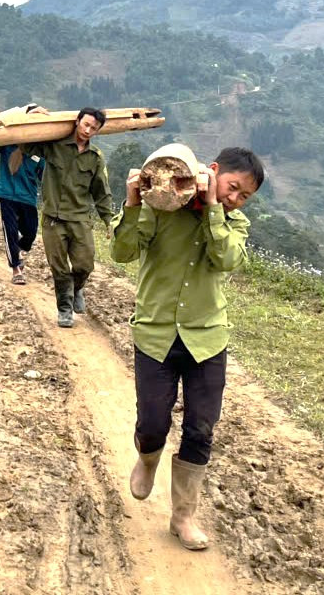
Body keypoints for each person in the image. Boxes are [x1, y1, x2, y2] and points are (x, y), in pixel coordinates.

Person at [110, 146, 264, 552]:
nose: (235, 198)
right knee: (153, 424)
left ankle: (183, 516)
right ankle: (148, 459)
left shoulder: (233, 222)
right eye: (233, 187)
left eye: (244, 196)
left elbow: (226, 259)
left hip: (207, 339)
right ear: (213, 171)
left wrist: (213, 207)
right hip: (156, 333)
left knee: (200, 428)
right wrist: (133, 203)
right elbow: (122, 252)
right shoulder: (161, 204)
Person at [22, 107, 114, 327]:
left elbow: (101, 191)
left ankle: (76, 288)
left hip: (79, 218)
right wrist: (30, 116)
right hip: (53, 218)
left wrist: (109, 220)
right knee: (59, 267)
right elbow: (25, 144)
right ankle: (65, 308)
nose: (88, 130)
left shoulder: (95, 158)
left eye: (93, 128)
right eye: (85, 124)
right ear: (77, 121)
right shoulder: (54, 145)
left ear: (97, 131)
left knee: (84, 265)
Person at [0, 107, 45, 283]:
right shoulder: (8, 142)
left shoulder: (39, 150)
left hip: (28, 197)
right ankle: (16, 269)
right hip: (7, 194)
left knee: (30, 233)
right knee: (10, 231)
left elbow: (44, 175)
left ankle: (17, 248)